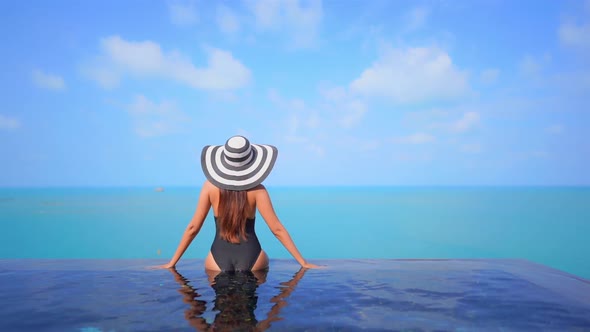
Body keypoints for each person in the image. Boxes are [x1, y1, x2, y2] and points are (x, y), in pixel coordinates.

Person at [156, 135, 320, 271]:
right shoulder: (258, 190)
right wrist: (302, 262)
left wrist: (172, 263)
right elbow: (277, 229)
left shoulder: (209, 187)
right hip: (252, 258)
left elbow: (193, 228)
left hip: (217, 258)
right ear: (251, 162)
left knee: (222, 308)